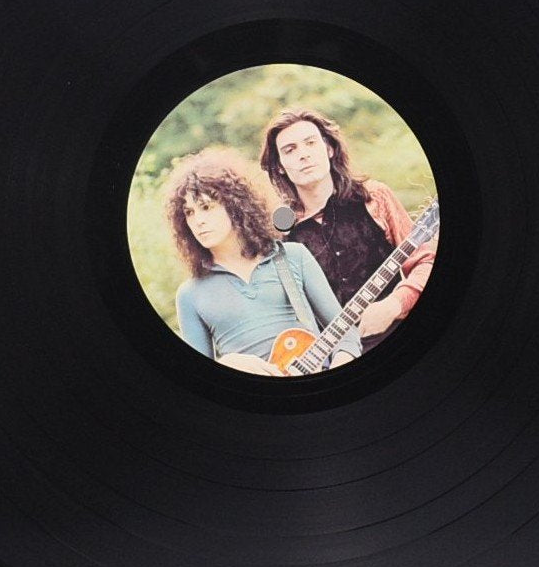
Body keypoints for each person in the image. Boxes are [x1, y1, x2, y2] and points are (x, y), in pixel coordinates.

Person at [165, 151, 361, 376]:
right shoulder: (190, 294)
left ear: (235, 205)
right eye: (189, 212)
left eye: (206, 207)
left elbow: (345, 334)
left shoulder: (293, 256)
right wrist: (226, 363)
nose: (198, 220)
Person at [259, 107, 436, 350]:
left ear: (329, 149)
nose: (303, 155)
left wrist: (395, 303)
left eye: (310, 143)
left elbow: (426, 261)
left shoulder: (374, 197)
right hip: (330, 358)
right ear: (279, 166)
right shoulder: (280, 233)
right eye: (290, 150)